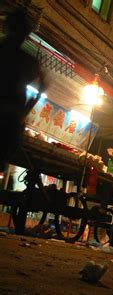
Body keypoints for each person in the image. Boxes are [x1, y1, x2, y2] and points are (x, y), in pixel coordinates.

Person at [0, 8, 45, 172]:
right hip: (12, 117)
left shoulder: (5, 51)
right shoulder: (29, 61)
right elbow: (43, 85)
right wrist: (24, 111)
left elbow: (42, 86)